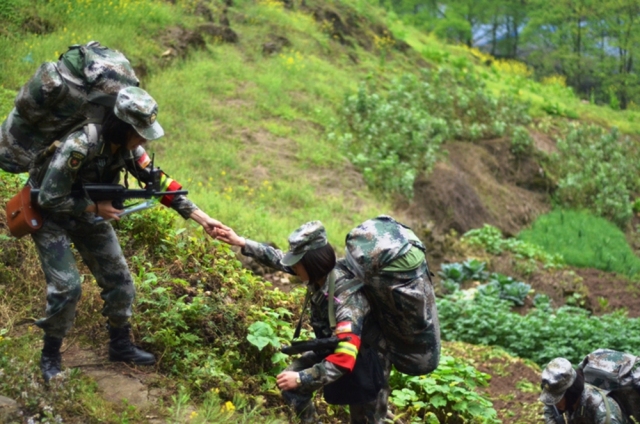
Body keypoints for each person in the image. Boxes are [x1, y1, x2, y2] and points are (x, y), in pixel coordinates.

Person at [30, 86, 228, 383]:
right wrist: (93, 208)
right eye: (139, 131)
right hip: (52, 217)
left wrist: (202, 219)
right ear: (122, 127)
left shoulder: (130, 149)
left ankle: (120, 345)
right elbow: (48, 197)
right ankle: (51, 354)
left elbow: (159, 183)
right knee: (68, 287)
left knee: (121, 281)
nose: (144, 138)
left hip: (91, 215)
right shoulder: (80, 145)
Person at [216, 221, 386, 424]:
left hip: (366, 360)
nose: (293, 268)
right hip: (333, 348)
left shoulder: (347, 299)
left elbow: (344, 358)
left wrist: (302, 377)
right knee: (290, 383)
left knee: (365, 418)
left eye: (297, 263)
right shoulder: (320, 276)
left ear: (312, 264)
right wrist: (241, 242)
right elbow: (279, 259)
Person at [540, 357, 631, 424]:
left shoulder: (603, 413)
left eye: (557, 399)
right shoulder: (564, 402)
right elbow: (550, 409)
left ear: (570, 394)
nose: (554, 403)